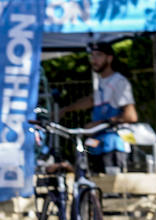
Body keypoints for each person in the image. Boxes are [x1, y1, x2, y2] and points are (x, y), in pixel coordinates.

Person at [57, 41, 138, 173]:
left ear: (109, 58)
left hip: (114, 144)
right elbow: (91, 100)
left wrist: (100, 123)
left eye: (99, 55)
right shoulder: (101, 82)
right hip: (99, 143)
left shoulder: (119, 81)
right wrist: (65, 110)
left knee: (111, 188)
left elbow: (131, 116)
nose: (94, 60)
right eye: (92, 56)